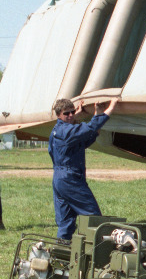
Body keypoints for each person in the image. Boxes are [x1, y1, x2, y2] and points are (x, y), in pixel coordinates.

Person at [48, 97, 117, 241]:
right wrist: (110, 109)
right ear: (59, 115)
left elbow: (90, 135)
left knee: (65, 223)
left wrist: (97, 112)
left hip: (59, 179)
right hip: (69, 178)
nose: (71, 115)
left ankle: (60, 255)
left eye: (73, 112)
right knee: (93, 216)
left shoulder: (57, 131)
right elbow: (90, 127)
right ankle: (98, 251)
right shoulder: (66, 131)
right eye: (66, 113)